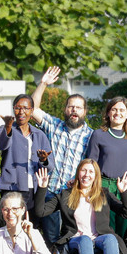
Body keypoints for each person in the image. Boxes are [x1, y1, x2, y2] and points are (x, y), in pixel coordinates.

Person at [30, 66, 95, 195]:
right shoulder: (54, 126)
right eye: (71, 107)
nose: (74, 110)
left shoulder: (92, 136)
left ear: (85, 111)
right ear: (65, 109)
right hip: (49, 190)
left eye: (78, 108)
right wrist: (43, 84)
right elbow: (32, 109)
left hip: (74, 193)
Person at [87, 96, 127, 235]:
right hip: (105, 187)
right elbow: (91, 164)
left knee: (124, 227)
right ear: (108, 113)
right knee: (106, 228)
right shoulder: (98, 135)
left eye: (122, 110)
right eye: (114, 109)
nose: (118, 113)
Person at [0, 93, 53, 221]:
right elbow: (2, 145)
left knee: (30, 225)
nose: (21, 112)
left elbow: (50, 166)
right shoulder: (5, 129)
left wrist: (43, 160)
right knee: (11, 224)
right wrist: (8, 127)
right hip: (11, 187)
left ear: (31, 111)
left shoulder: (39, 134)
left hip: (33, 188)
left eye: (26, 108)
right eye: (17, 108)